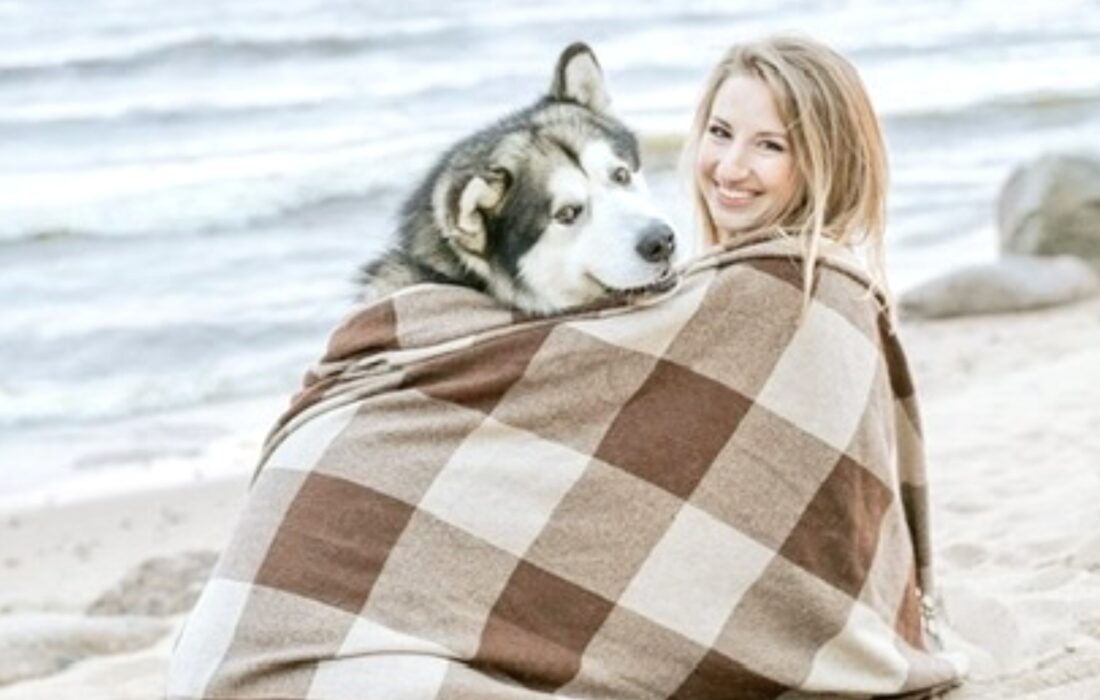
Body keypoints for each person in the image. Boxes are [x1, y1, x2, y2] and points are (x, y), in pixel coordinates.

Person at [681, 34, 890, 305]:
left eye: (769, 145)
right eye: (720, 132)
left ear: (827, 166)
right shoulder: (711, 287)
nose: (729, 169)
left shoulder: (809, 294)